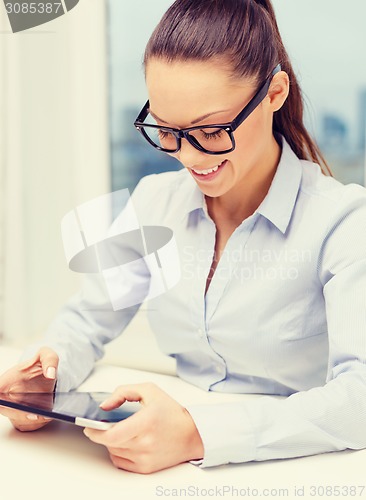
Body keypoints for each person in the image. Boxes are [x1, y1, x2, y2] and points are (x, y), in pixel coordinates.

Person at [1, 0, 366, 474]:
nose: (190, 157)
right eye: (168, 131)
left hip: (298, 465)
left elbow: (358, 400)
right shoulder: (156, 202)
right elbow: (89, 317)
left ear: (274, 93)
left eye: (211, 131)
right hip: (163, 463)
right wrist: (47, 378)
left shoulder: (342, 222)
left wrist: (198, 434)